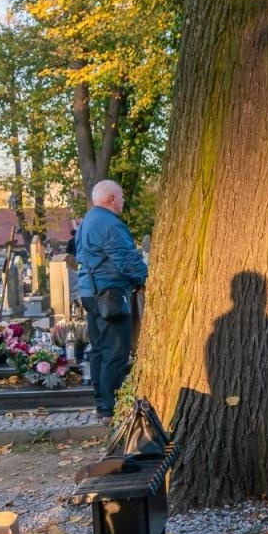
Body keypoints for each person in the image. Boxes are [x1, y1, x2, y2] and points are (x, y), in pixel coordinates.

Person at [76, 180, 148, 420]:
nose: (123, 200)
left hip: (90, 292)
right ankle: (111, 407)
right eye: (122, 196)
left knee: (98, 350)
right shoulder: (109, 224)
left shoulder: (87, 221)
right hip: (110, 293)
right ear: (111, 198)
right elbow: (126, 258)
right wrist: (144, 277)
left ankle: (102, 404)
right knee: (116, 351)